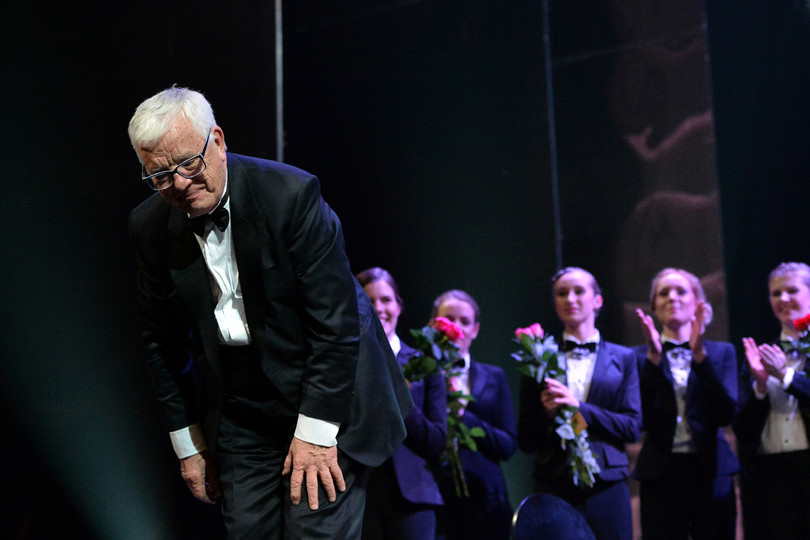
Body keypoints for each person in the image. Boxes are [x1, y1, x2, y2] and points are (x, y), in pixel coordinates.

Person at [127, 86, 412, 539]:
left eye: (188, 164)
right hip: (242, 408)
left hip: (326, 392)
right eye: (159, 175)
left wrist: (315, 435)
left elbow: (335, 325)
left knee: (313, 531)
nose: (178, 184)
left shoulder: (290, 195)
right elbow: (161, 343)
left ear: (217, 141)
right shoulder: (150, 226)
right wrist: (188, 444)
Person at [518, 267, 641, 540]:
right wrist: (547, 414)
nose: (570, 299)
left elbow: (632, 427)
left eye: (579, 291)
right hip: (554, 481)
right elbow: (525, 439)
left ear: (597, 300)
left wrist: (579, 408)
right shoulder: (538, 358)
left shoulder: (624, 358)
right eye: (562, 293)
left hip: (606, 483)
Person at [634, 268, 739, 540]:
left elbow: (725, 414)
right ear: (654, 306)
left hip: (711, 470)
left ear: (698, 303)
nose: (672, 297)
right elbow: (639, 418)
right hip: (661, 472)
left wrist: (700, 357)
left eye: (681, 291)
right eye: (663, 293)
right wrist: (653, 360)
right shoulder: (639, 357)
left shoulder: (721, 352)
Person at [356, 267, 447, 539]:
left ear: (399, 306)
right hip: (361, 494)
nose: (378, 308)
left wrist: (400, 396)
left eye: (386, 300)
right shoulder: (346, 363)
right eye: (369, 300)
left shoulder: (425, 364)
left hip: (413, 497)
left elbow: (437, 441)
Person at [430, 290, 517, 540]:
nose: (456, 328)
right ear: (434, 324)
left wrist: (462, 415)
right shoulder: (421, 376)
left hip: (488, 499)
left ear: (475, 329)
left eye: (465, 321)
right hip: (436, 496)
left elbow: (508, 445)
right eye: (449, 319)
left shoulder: (494, 376)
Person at [735, 262, 810, 539]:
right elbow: (742, 430)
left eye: (792, 290)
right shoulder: (760, 356)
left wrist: (786, 376)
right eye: (776, 293)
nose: (784, 299)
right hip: (770, 475)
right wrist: (760, 384)